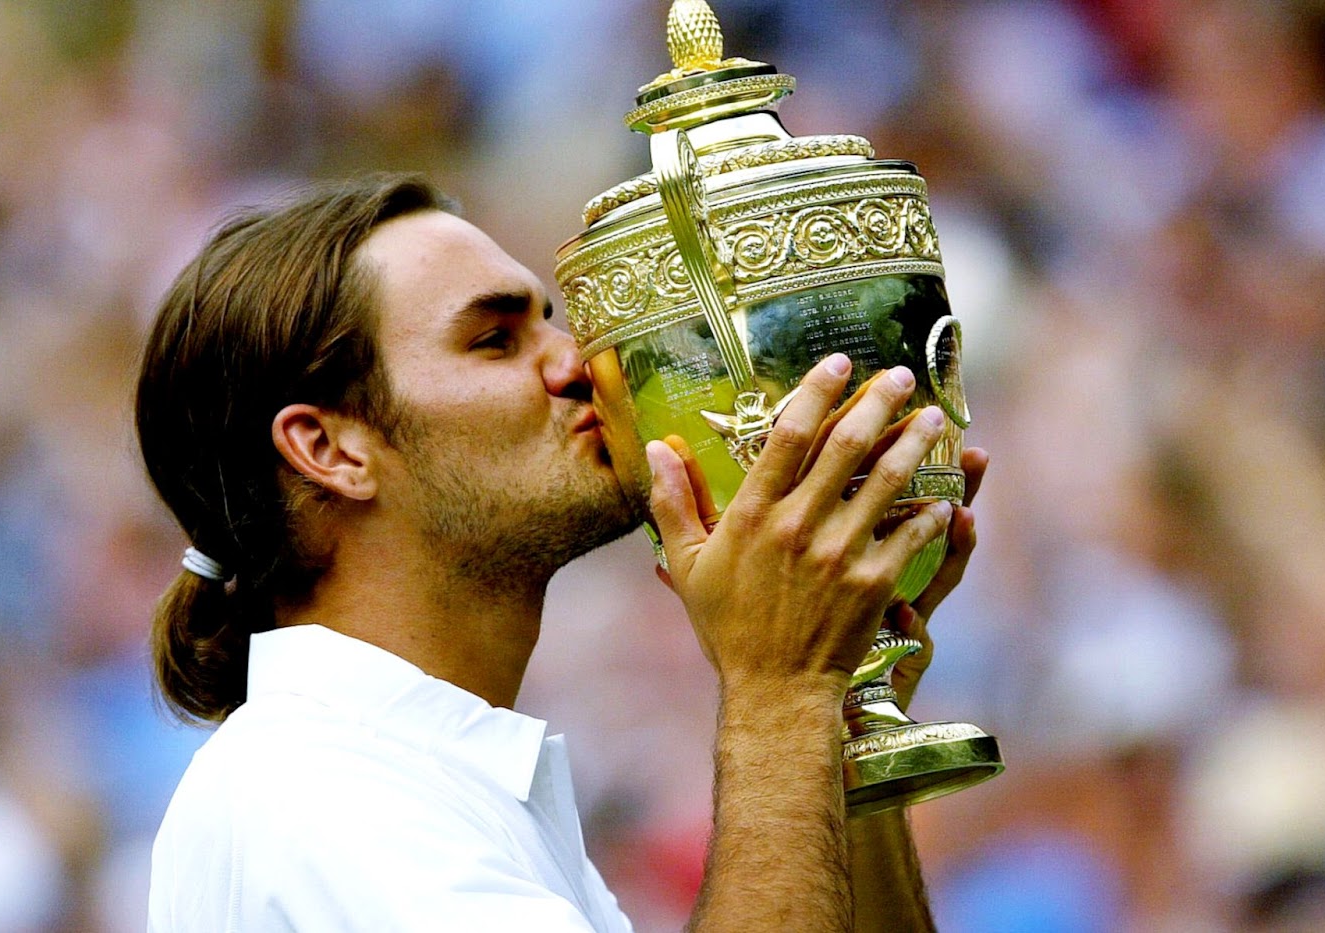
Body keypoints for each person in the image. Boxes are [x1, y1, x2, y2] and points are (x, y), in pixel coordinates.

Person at [137, 175, 987, 931]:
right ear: (331, 449)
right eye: (496, 340)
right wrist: (780, 689)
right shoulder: (309, 794)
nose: (584, 364)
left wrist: (840, 693)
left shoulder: (418, 780)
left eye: (553, 319)